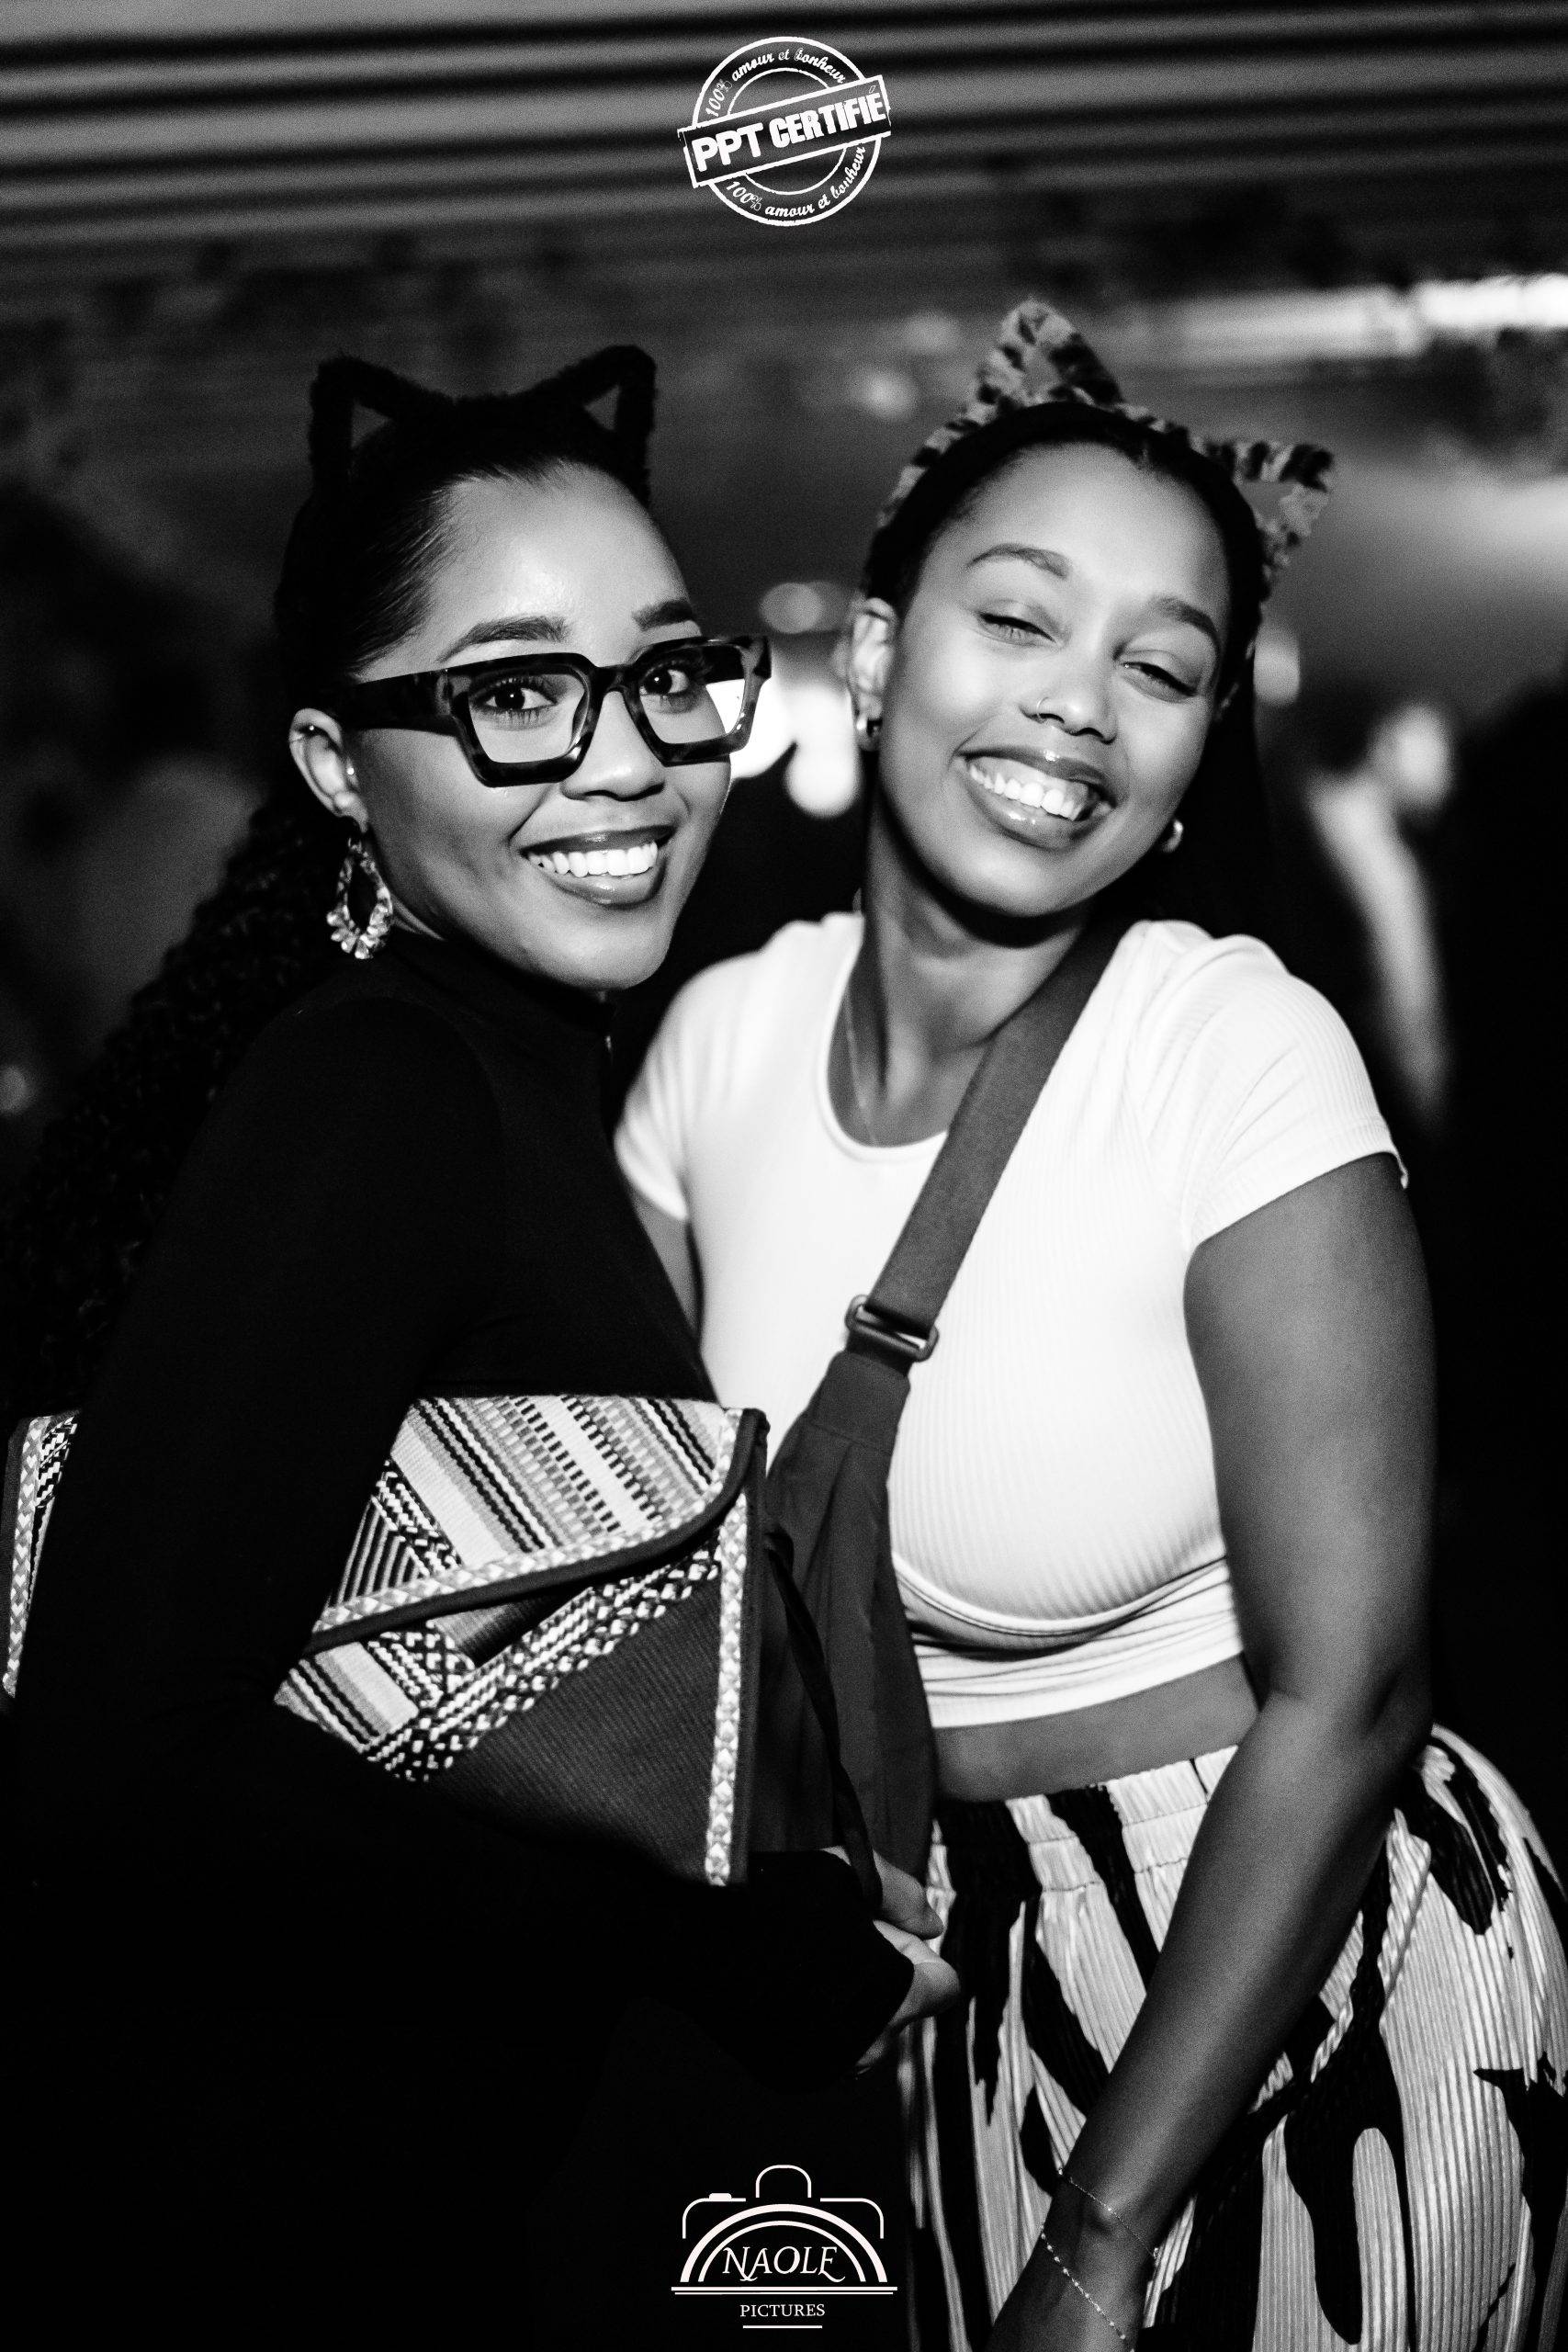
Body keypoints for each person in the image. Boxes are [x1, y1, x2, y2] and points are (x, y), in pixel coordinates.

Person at [616, 304, 1568, 2351]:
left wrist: (1097, 2239)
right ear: (880, 654)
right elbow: (639, 1562)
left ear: (1196, 750)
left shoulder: (1228, 1052)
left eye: (1158, 665)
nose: (1078, 703)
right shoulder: (716, 1044)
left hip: (1304, 1974)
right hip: (933, 1981)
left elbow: (1354, 1691)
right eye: (1019, 617)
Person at [2, 348, 953, 2330]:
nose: (627, 763)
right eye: (515, 694)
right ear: (339, 766)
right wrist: (714, 1940)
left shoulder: (504, 1068)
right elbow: (112, 1756)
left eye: (664, 674)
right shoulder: (385, 1087)